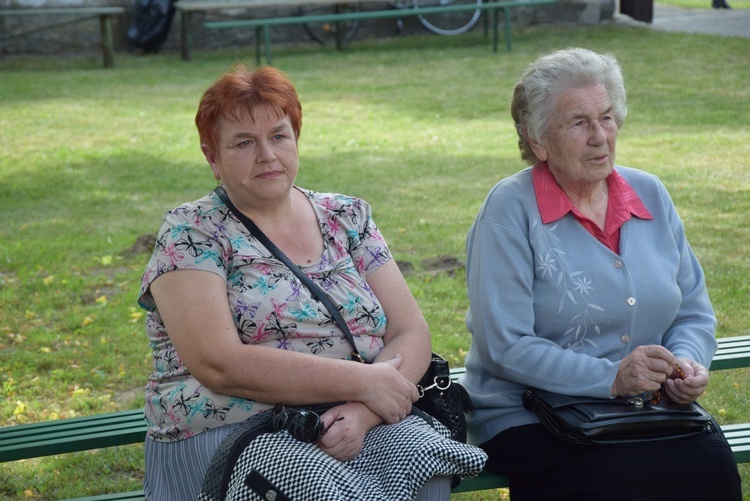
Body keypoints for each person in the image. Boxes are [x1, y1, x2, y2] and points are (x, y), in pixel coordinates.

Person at [137, 65, 486, 500]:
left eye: (279, 136)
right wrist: (361, 382)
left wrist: (362, 411)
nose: (266, 155)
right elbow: (217, 362)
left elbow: (410, 331)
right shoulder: (191, 232)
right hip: (231, 429)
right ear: (213, 157)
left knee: (423, 461)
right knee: (310, 485)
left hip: (350, 417)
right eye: (244, 143)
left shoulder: (346, 216)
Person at [459, 48, 742, 500]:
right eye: (578, 122)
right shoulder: (508, 211)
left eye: (607, 117)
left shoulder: (649, 192)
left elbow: (691, 310)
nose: (600, 137)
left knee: (711, 469)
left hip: (645, 406)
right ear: (537, 141)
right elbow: (504, 345)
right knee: (621, 478)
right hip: (531, 413)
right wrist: (611, 378)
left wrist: (686, 363)